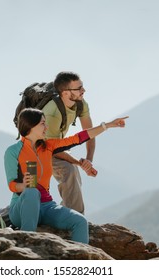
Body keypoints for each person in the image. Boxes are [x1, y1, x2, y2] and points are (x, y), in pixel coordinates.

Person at [4, 108, 128, 244]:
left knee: (80, 221)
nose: (47, 127)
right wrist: (23, 186)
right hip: (22, 206)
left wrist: (107, 125)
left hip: (46, 206)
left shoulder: (48, 146)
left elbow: (78, 138)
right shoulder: (13, 151)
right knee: (32, 192)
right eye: (43, 123)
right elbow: (12, 185)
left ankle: (80, 261)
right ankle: (25, 247)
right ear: (31, 126)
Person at [42, 71, 97, 214]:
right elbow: (53, 149)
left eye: (82, 86)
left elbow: (89, 134)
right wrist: (79, 163)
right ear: (65, 93)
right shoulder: (51, 113)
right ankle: (74, 219)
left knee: (72, 173)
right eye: (78, 88)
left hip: (57, 145)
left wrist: (89, 160)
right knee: (69, 170)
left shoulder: (80, 104)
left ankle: (70, 215)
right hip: (40, 149)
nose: (83, 91)